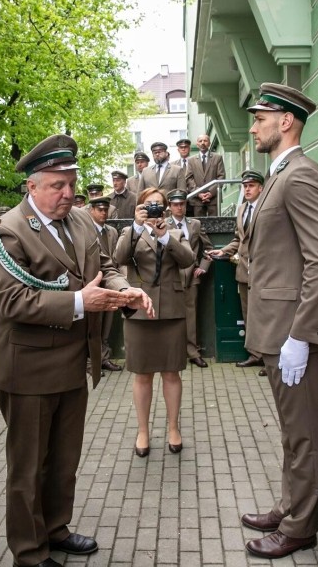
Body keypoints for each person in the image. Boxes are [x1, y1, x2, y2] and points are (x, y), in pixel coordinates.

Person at [0, 134, 152, 567]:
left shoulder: (79, 220)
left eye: (71, 183)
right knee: (27, 469)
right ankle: (28, 550)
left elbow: (106, 268)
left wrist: (125, 290)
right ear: (32, 187)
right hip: (28, 369)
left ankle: (56, 529)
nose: (68, 193)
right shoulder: (8, 230)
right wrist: (82, 302)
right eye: (57, 184)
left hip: (72, 363)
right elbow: (12, 301)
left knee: (63, 460)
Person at [240, 83, 318, 559]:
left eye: (261, 117)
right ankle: (290, 505)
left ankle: (300, 526)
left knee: (305, 433)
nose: (254, 125)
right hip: (279, 329)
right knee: (291, 429)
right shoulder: (282, 174)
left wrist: (302, 335)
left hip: (293, 332)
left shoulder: (299, 175)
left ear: (286, 121)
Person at [114, 187, 195, 457]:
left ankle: (173, 427)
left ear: (167, 209)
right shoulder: (130, 232)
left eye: (159, 205)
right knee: (142, 374)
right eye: (149, 205)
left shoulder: (175, 233)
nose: (154, 210)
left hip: (171, 311)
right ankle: (143, 431)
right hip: (139, 311)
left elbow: (187, 260)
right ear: (139, 207)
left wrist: (164, 237)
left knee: (172, 373)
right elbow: (118, 258)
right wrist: (137, 226)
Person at [209, 169, 266, 375]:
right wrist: (223, 250)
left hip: (265, 272)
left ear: (261, 187)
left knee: (267, 316)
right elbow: (238, 238)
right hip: (244, 271)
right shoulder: (242, 209)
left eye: (251, 185)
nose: (247, 189)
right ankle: (254, 354)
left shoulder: (268, 208)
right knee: (248, 313)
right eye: (245, 186)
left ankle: (270, 358)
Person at [165, 189, 213, 368]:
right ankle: (173, 353)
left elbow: (208, 248)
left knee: (191, 316)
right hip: (171, 277)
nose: (179, 207)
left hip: (191, 277)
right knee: (170, 316)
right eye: (176, 204)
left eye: (182, 204)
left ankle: (193, 352)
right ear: (170, 206)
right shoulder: (163, 224)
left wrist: (203, 267)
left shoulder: (195, 224)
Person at [89, 195, 122, 372]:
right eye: (99, 210)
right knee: (93, 324)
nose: (103, 213)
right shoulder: (85, 230)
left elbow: (115, 256)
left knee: (107, 323)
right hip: (93, 282)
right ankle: (90, 362)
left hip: (109, 281)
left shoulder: (112, 231)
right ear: (91, 210)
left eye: (105, 210)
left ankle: (104, 357)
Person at [185, 134, 226, 217]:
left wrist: (211, 193)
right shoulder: (191, 160)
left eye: (205, 140)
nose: (202, 143)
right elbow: (189, 178)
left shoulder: (217, 158)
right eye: (200, 141)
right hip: (197, 199)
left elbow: (221, 176)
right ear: (197, 144)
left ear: (209, 143)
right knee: (198, 225)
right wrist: (198, 193)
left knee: (215, 224)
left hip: (213, 198)